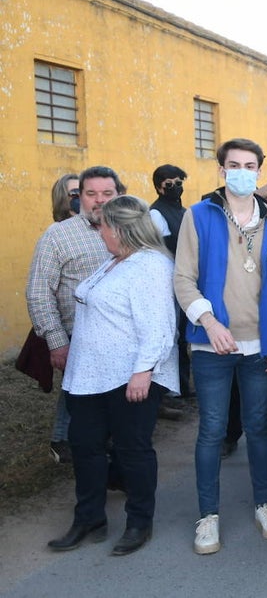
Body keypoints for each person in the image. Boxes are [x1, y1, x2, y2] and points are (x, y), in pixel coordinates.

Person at [173, 138, 267, 555]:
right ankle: (207, 515)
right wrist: (209, 323)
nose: (242, 172)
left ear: (259, 172)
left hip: (260, 345)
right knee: (212, 430)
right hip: (212, 344)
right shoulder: (199, 215)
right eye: (234, 165)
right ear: (221, 170)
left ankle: (265, 504)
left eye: (249, 166)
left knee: (258, 426)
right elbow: (183, 279)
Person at [48, 195, 179, 557]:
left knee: (132, 449)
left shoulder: (151, 265)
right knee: (84, 445)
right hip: (90, 375)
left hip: (129, 376)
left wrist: (143, 371)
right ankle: (89, 518)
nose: (99, 231)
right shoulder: (114, 261)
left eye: (102, 225)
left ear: (120, 230)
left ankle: (139, 521)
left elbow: (160, 326)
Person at [26, 166, 123, 464]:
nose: (99, 200)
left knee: (117, 407)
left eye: (107, 193)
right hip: (77, 338)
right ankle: (73, 448)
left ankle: (111, 459)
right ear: (79, 197)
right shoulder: (58, 236)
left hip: (122, 339)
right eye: (91, 194)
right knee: (83, 406)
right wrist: (57, 342)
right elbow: (39, 292)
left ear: (119, 195)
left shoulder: (130, 231)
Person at [149, 163, 193, 408]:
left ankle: (182, 386)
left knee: (183, 335)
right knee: (171, 334)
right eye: (170, 184)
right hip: (168, 281)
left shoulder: (184, 211)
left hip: (184, 277)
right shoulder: (156, 213)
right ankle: (168, 390)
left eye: (179, 183)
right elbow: (164, 247)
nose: (176, 187)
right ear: (159, 187)